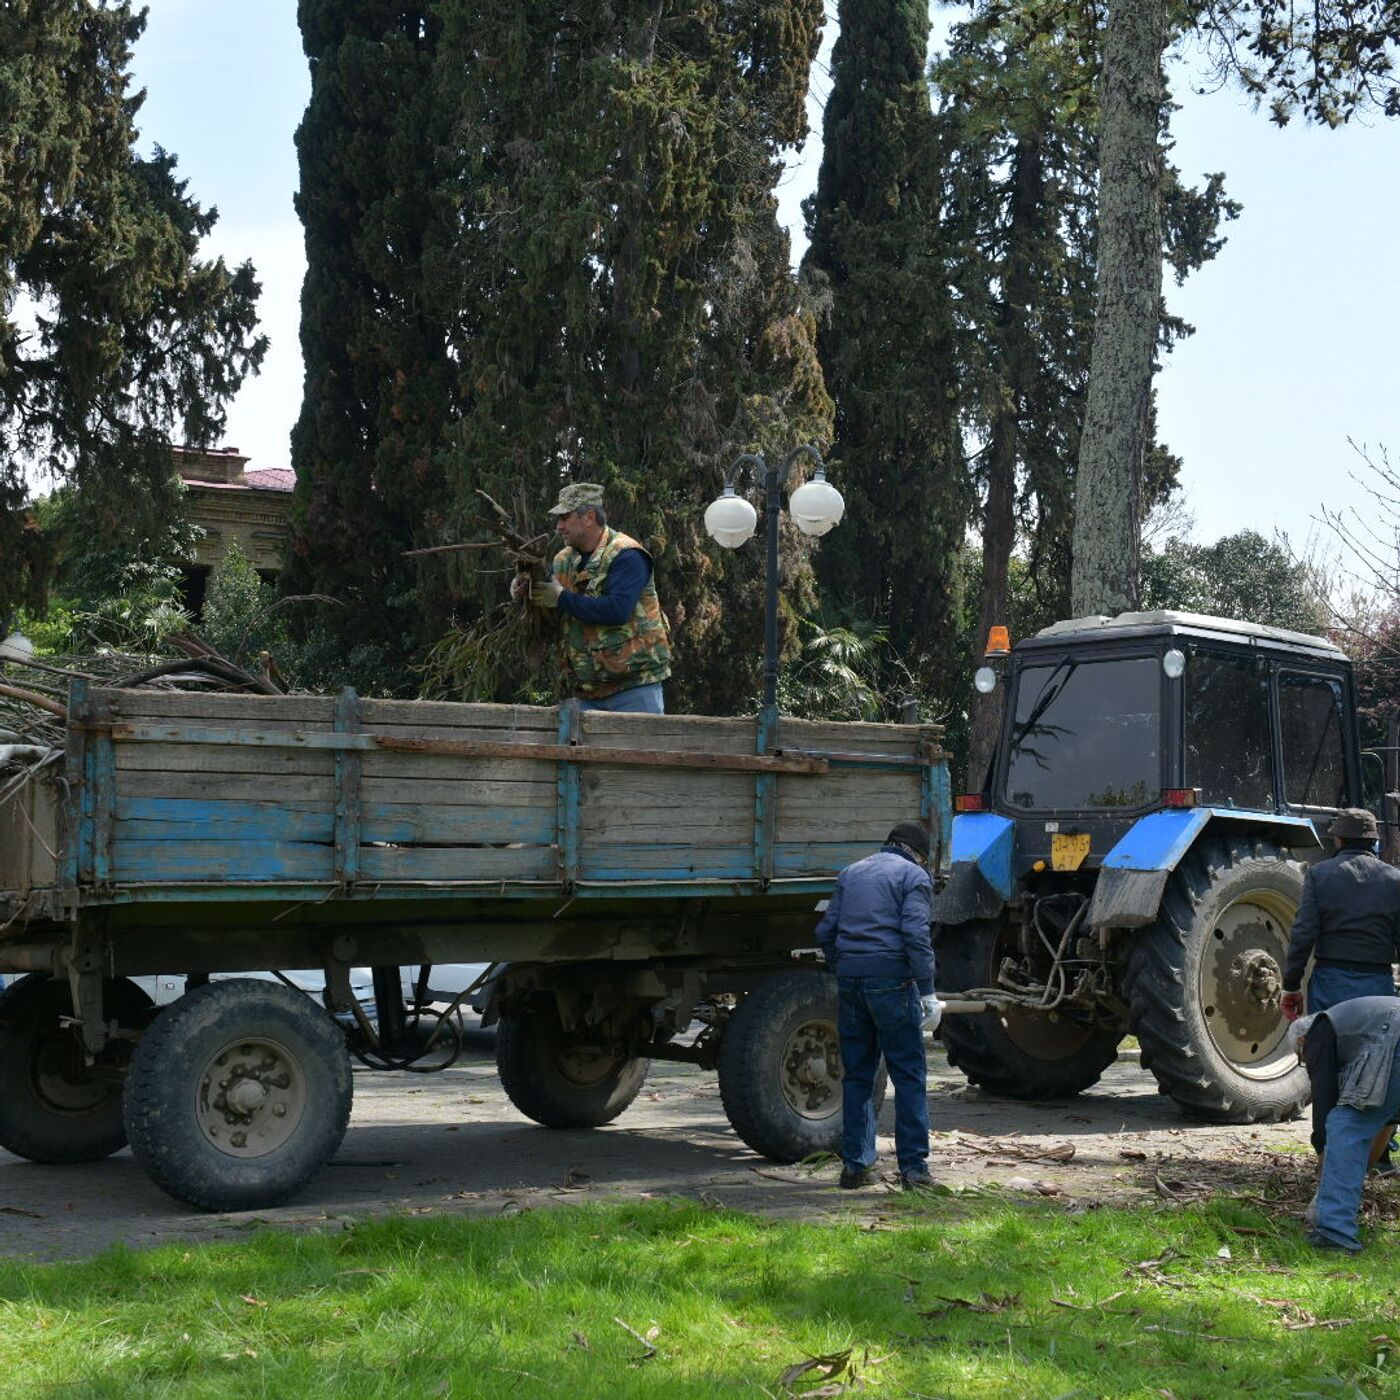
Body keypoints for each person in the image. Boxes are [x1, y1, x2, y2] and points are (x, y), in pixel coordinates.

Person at [815, 821, 940, 1191]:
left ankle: (856, 1166)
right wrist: (928, 990)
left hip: (851, 980)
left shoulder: (851, 872)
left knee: (858, 1075)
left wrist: (846, 966)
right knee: (909, 1075)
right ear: (919, 852)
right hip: (893, 981)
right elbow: (916, 934)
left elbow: (825, 931)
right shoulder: (913, 876)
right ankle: (914, 1170)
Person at [514, 483, 672, 713]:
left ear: (589, 516)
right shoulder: (563, 560)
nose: (558, 527)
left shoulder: (626, 555)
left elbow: (617, 610)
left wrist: (561, 598)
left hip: (634, 689)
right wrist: (525, 591)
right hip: (585, 693)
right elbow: (551, 610)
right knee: (574, 750)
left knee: (637, 749)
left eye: (565, 518)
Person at [1289, 997, 1400, 1253]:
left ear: (1301, 1043)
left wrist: (1324, 1156)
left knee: (1344, 1123)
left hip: (1393, 1037)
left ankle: (1334, 1232)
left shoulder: (1317, 1030)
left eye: (1302, 1059)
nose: (1307, 1064)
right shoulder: (1355, 1022)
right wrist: (1352, 1170)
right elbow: (1385, 1123)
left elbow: (1324, 1098)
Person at [1280, 807, 1400, 1021]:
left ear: (1339, 840)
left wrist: (1291, 986)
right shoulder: (1395, 880)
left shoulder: (1318, 874)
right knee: (1377, 1051)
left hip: (1329, 985)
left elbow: (1303, 933)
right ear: (1373, 841)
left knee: (1326, 1049)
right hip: (1378, 986)